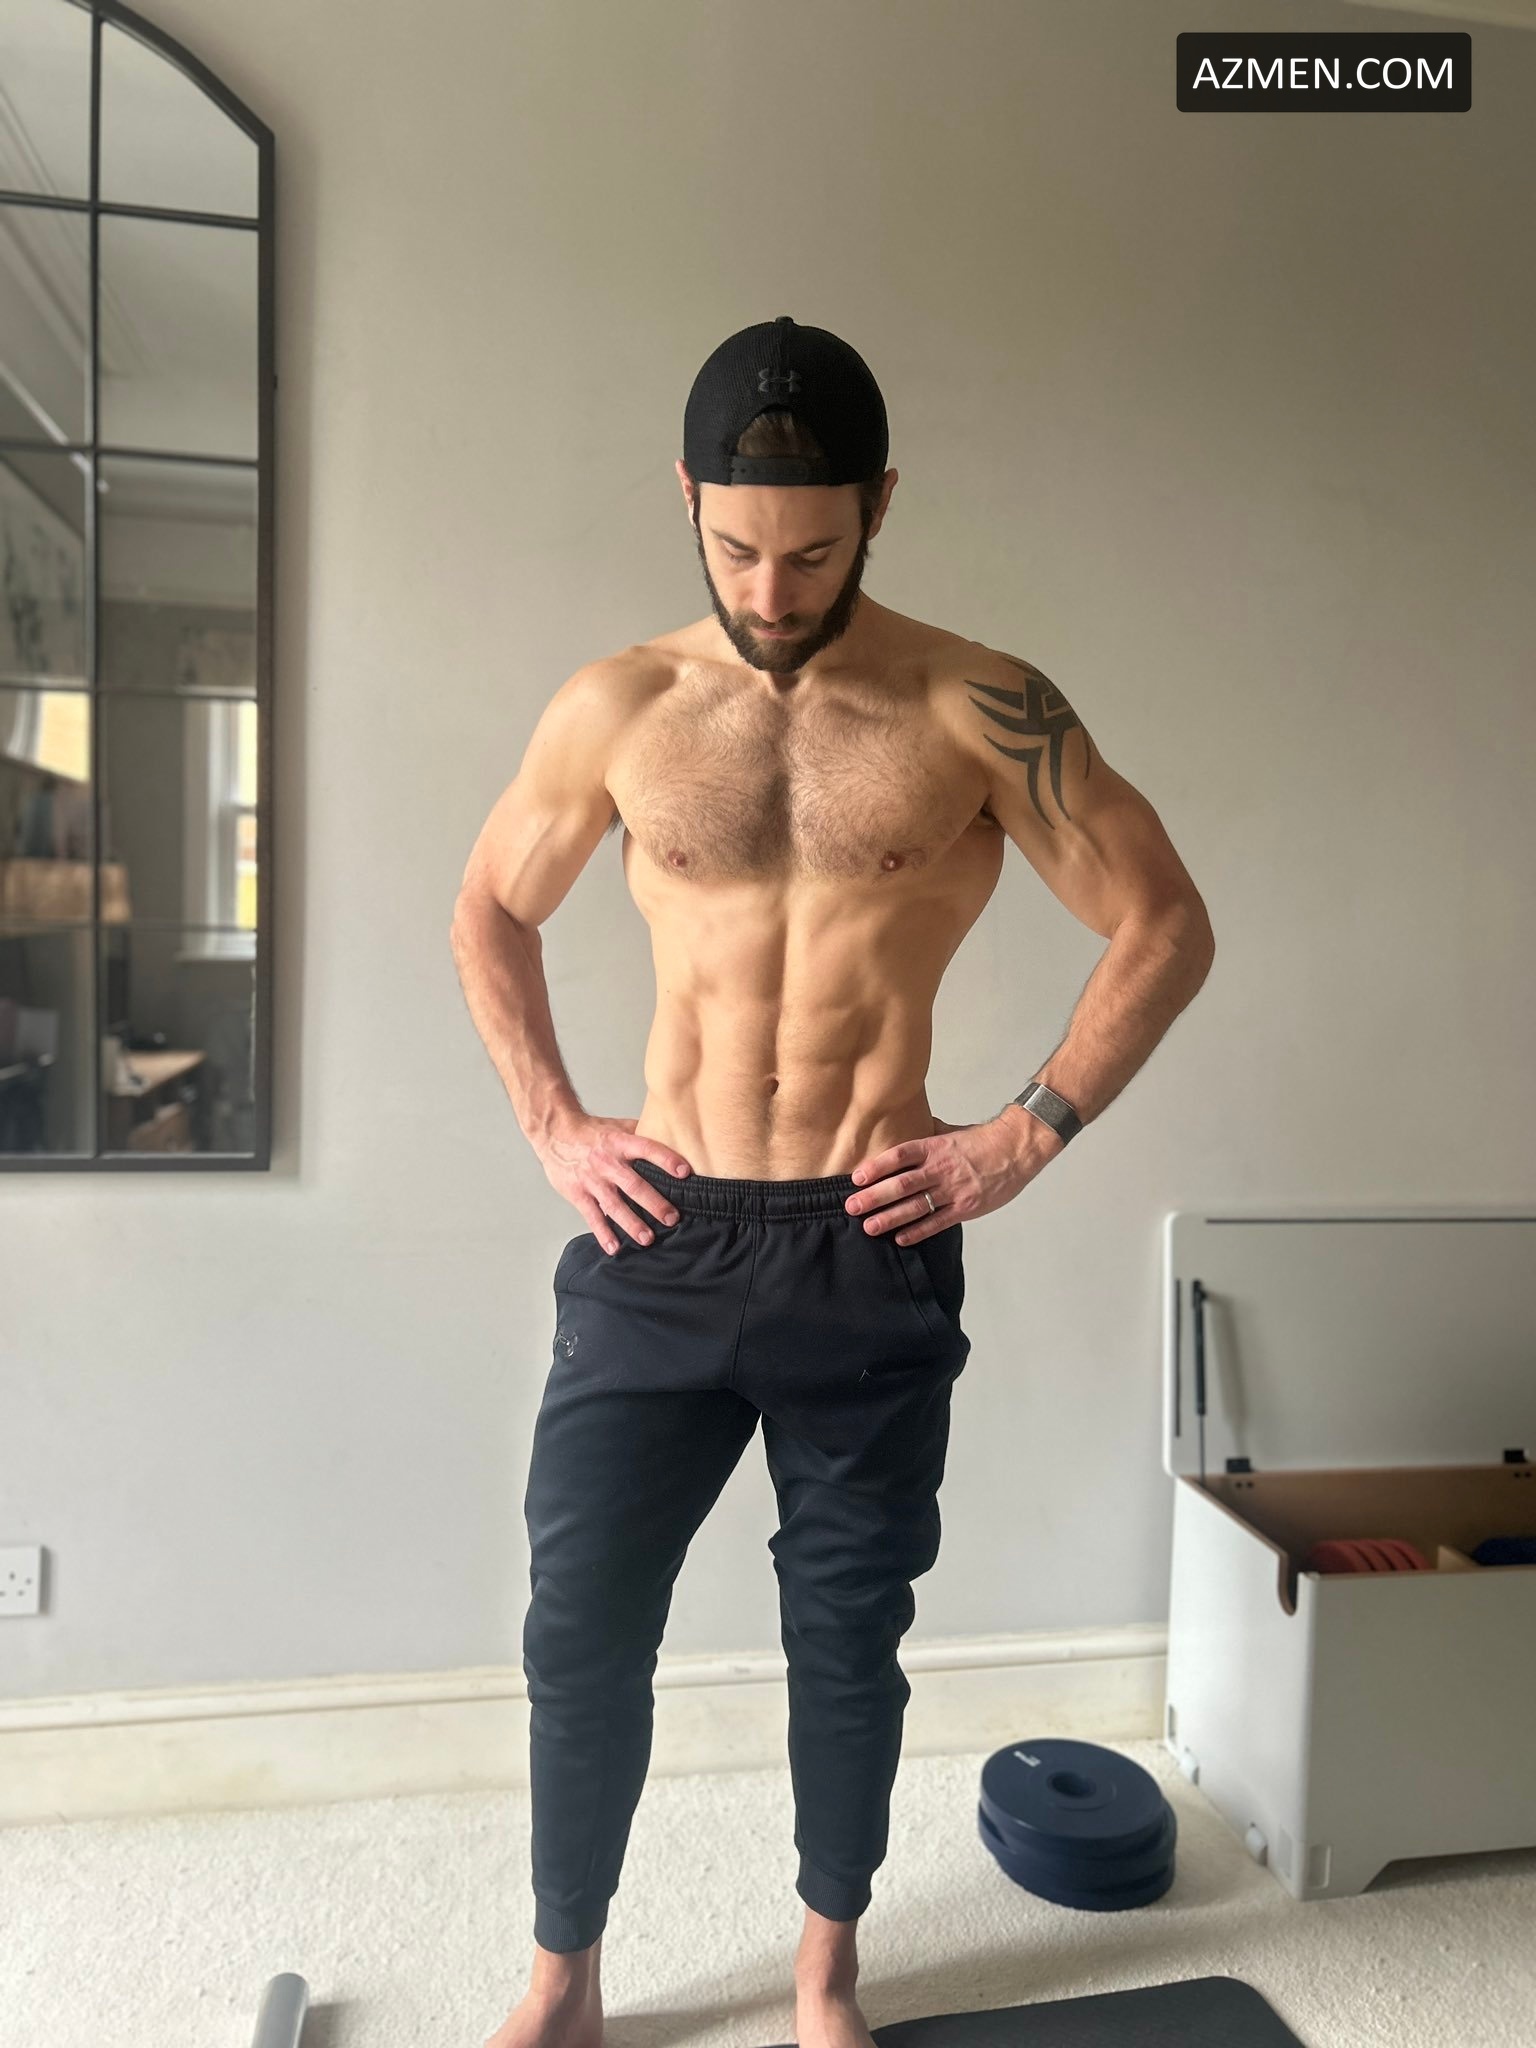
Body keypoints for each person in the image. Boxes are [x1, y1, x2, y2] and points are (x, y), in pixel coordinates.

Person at [449, 316, 1215, 2048]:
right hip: (664, 1233)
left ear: (880, 505)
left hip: (867, 1238)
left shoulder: (979, 706)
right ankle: (564, 1979)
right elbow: (490, 904)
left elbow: (1165, 922)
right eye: (734, 548)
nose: (770, 590)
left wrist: (1025, 1131)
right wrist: (556, 1123)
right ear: (687, 501)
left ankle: (825, 1972)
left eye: (810, 553)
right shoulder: (620, 706)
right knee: (581, 1627)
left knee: (847, 1638)